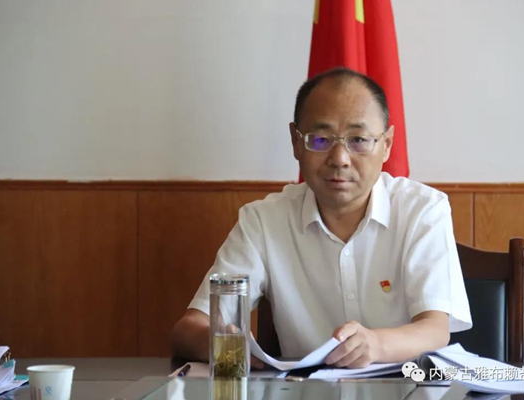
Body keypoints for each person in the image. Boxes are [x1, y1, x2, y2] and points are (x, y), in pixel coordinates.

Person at [171, 67, 472, 368]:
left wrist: (375, 344)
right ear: (295, 141)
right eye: (320, 139)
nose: (339, 159)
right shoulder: (263, 221)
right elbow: (189, 328)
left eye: (358, 139)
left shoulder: (422, 211)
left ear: (387, 145)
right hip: (304, 388)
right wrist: (222, 344)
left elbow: (435, 330)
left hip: (406, 385)